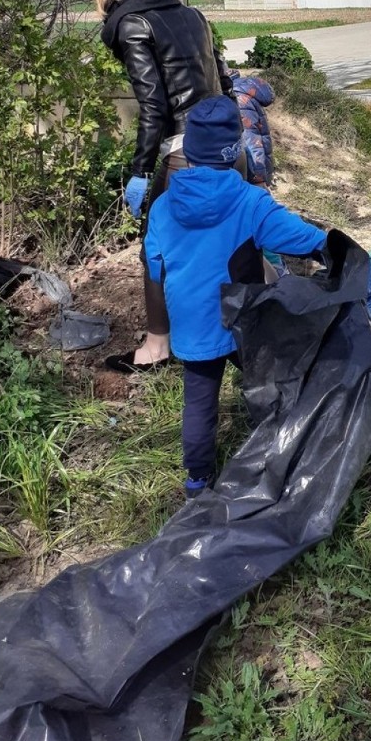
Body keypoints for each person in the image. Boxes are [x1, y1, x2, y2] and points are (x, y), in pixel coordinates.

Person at [144, 95, 327, 498]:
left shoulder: (162, 207)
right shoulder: (249, 202)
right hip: (241, 318)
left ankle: (196, 480)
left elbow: (154, 267)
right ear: (235, 151)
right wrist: (330, 245)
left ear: (188, 151)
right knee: (268, 377)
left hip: (191, 321)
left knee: (199, 403)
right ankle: (280, 444)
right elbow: (298, 237)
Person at [97, 0, 234, 374]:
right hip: (227, 147)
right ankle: (252, 324)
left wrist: (139, 173)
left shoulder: (133, 24)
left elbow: (154, 107)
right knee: (230, 240)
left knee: (155, 250)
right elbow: (226, 83)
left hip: (185, 155)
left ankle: (158, 347)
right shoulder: (194, 16)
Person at [230, 70, 275, 186]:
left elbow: (251, 141)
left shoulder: (238, 99)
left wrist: (258, 179)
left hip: (253, 175)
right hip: (257, 167)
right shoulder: (243, 92)